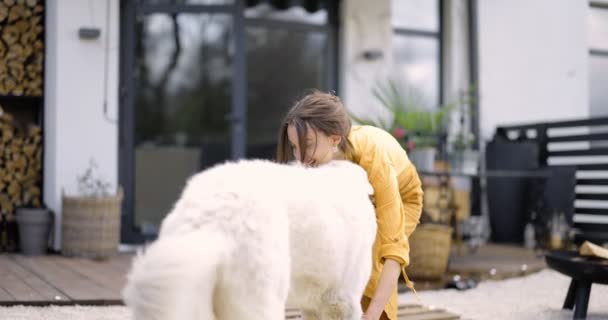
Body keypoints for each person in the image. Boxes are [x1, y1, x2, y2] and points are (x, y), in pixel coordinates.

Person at [276, 90, 423, 320]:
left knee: (372, 262)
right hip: (361, 198)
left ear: (334, 139)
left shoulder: (374, 157)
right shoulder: (319, 160)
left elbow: (394, 248)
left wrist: (373, 313)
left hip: (402, 199)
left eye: (308, 145)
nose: (301, 156)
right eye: (295, 147)